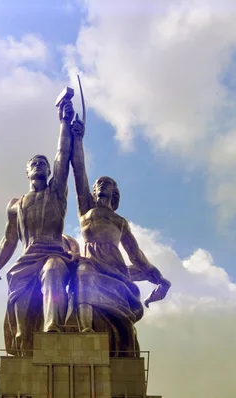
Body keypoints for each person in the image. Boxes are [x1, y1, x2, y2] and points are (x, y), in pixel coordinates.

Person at [0, 99, 80, 356]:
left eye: (43, 164)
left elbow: (62, 155)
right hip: (27, 255)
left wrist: (63, 123)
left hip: (54, 250)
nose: (39, 165)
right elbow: (9, 240)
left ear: (48, 171)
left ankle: (52, 327)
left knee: (54, 271)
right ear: (26, 172)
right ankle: (23, 335)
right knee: (18, 287)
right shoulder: (16, 204)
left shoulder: (56, 192)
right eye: (34, 163)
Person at [69, 119, 171, 357]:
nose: (101, 185)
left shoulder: (120, 222)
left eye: (107, 183)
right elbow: (79, 171)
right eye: (98, 183)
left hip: (115, 269)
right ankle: (84, 329)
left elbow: (135, 255)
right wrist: (78, 140)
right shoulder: (86, 210)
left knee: (122, 317)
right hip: (91, 262)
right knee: (83, 273)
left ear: (114, 193)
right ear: (93, 192)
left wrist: (157, 276)